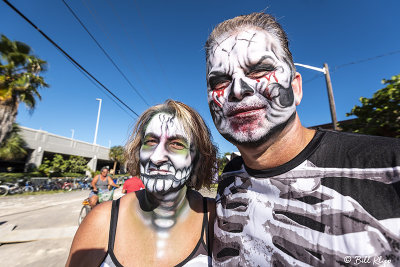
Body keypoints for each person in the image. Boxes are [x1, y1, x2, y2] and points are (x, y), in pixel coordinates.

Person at [205, 12, 400, 266]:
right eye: (219, 81)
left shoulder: (390, 167)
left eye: (259, 70)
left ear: (296, 88)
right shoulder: (229, 179)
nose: (238, 90)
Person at [66, 100, 218, 266]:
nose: (156, 157)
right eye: (151, 141)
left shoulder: (217, 219)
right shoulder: (103, 220)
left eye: (176, 144)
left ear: (198, 159)